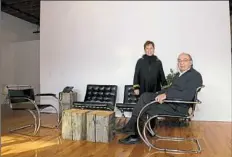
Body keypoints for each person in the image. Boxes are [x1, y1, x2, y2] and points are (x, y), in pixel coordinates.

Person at [118, 52, 203, 145]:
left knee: (145, 107)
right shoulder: (180, 74)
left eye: (185, 60)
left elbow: (187, 95)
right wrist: (158, 93)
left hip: (178, 107)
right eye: (179, 60)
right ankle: (135, 129)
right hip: (171, 103)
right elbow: (171, 89)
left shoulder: (195, 75)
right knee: (145, 96)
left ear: (191, 62)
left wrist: (166, 95)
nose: (181, 63)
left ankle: (135, 135)